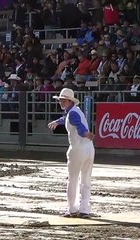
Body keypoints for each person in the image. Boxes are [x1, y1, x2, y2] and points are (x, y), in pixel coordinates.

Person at [47, 88, 95, 218]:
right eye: (60, 100)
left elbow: (79, 127)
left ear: (69, 101)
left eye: (63, 100)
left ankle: (72, 209)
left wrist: (86, 133)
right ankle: (85, 209)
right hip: (89, 148)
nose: (61, 102)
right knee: (86, 179)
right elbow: (68, 118)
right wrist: (58, 121)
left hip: (78, 148)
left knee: (73, 178)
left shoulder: (72, 114)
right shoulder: (75, 111)